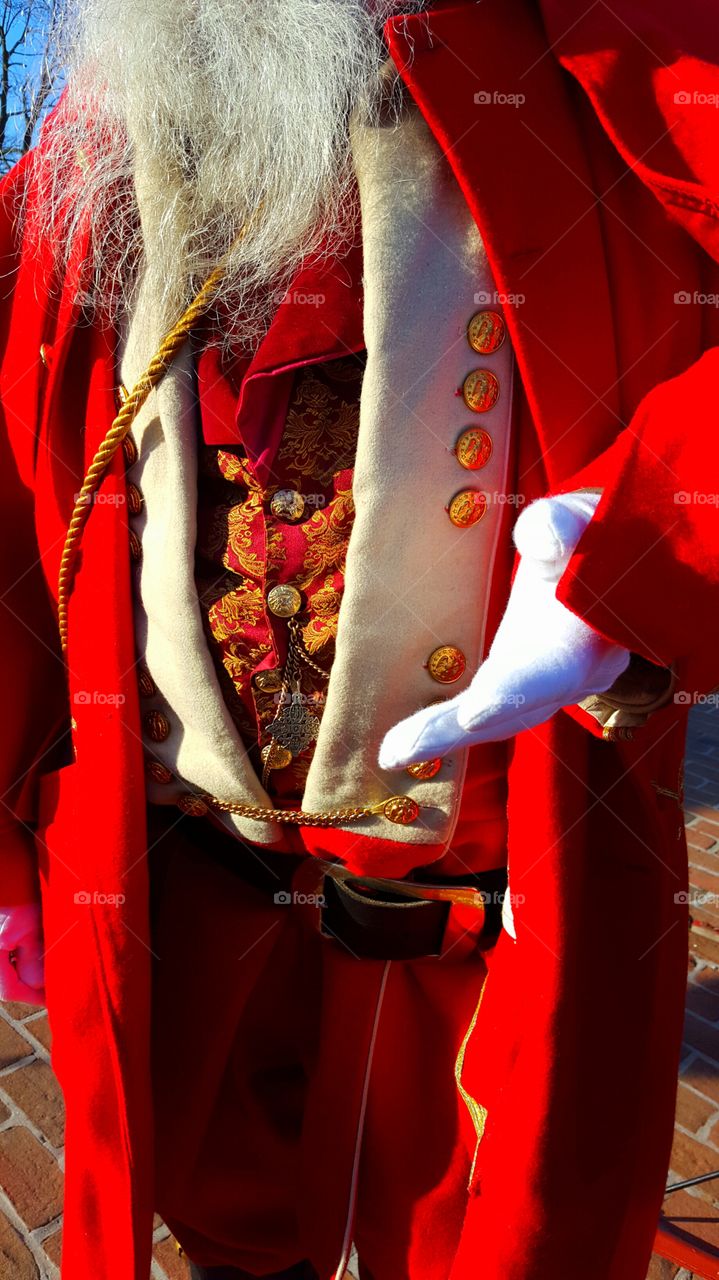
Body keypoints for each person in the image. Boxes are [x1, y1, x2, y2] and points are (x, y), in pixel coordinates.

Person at [0, 0, 717, 1276]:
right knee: (225, 1233)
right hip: (192, 904)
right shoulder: (94, 118)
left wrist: (648, 547)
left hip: (484, 941)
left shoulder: (615, 35)